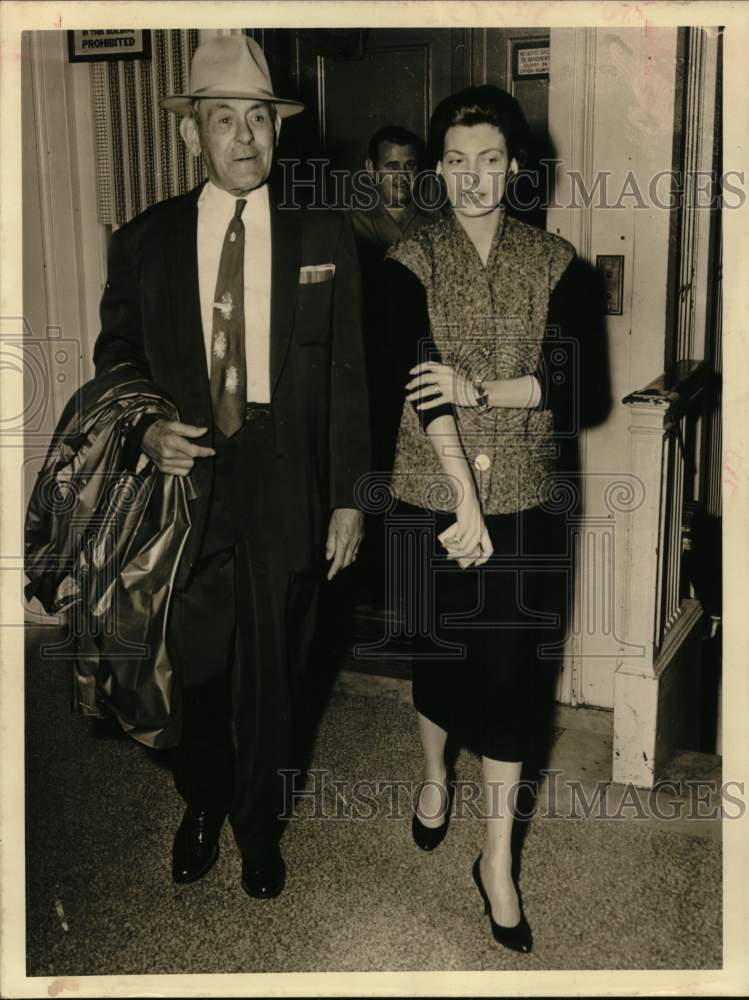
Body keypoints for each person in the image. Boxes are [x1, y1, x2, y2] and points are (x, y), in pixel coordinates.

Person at [92, 35, 370, 900]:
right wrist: (145, 435)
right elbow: (116, 361)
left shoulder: (324, 232)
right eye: (224, 120)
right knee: (198, 662)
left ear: (276, 131)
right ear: (191, 136)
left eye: (258, 119)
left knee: (278, 671)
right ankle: (202, 798)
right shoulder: (144, 242)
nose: (244, 138)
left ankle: (258, 825)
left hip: (288, 476)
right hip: (187, 478)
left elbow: (351, 374)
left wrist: (351, 500)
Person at [382, 86, 580, 953]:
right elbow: (421, 381)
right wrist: (463, 495)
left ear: (515, 167)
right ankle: (432, 773)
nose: (473, 178)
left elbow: (581, 388)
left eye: (490, 160)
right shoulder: (406, 260)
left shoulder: (556, 259)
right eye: (456, 161)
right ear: (436, 169)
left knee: (512, 685)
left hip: (528, 502)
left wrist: (485, 390)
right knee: (439, 662)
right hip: (433, 498)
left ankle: (495, 862)